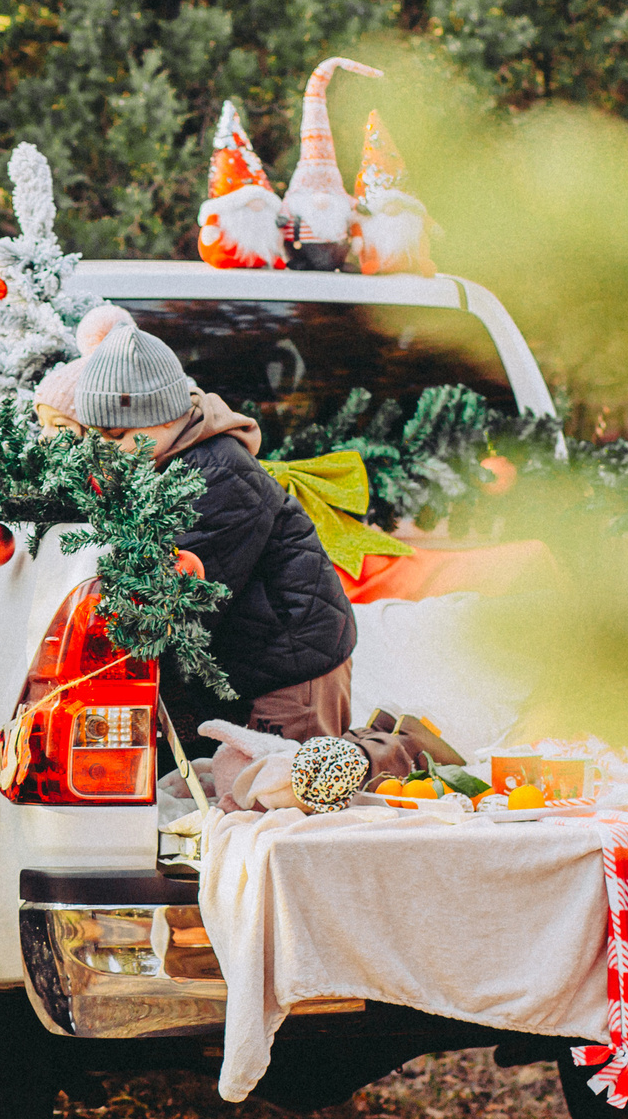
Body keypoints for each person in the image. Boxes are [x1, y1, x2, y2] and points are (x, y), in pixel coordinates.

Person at [69, 313, 440, 778]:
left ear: (163, 417)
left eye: (117, 438)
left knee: (293, 788)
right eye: (95, 439)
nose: (106, 453)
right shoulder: (162, 465)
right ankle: (386, 743)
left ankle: (401, 753)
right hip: (251, 659)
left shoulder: (217, 474)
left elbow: (187, 594)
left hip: (290, 665)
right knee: (254, 785)